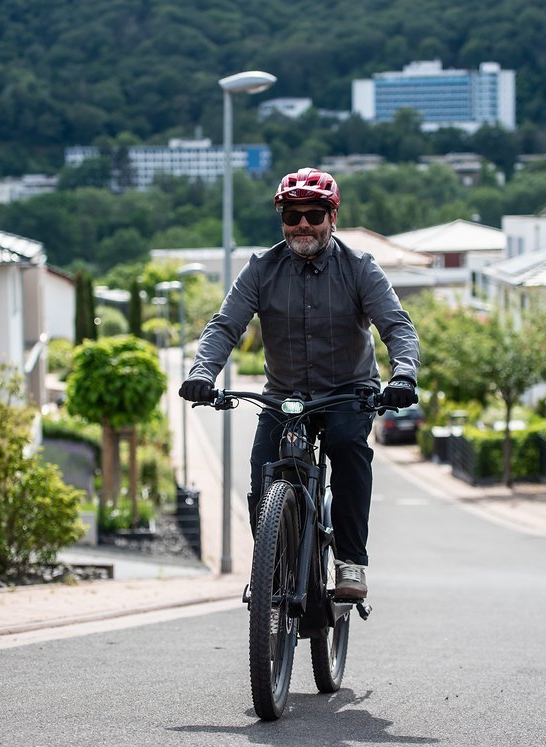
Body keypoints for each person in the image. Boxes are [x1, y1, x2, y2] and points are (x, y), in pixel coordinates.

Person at [179, 167, 420, 600]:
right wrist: (202, 373)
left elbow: (397, 326)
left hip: (349, 391)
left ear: (332, 217)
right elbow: (224, 326)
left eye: (313, 214)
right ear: (282, 220)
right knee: (262, 473)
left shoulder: (360, 268)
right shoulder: (261, 269)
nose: (302, 224)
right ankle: (273, 564)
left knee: (348, 450)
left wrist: (403, 374)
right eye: (292, 215)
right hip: (284, 397)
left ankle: (350, 562)